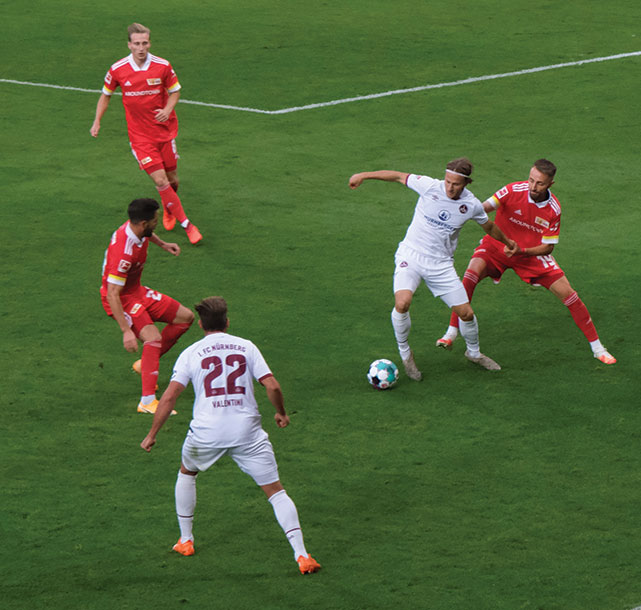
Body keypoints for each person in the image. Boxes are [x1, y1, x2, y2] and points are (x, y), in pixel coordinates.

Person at [140, 296, 321, 575]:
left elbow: (169, 397)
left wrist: (152, 434)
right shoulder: (246, 347)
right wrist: (282, 413)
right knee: (275, 491)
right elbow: (271, 385)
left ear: (200, 324)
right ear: (227, 322)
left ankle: (185, 540)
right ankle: (302, 555)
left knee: (187, 473)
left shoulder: (190, 353)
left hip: (206, 433)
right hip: (246, 432)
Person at [349, 158, 519, 379]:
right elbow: (398, 176)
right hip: (411, 255)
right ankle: (406, 355)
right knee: (402, 303)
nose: (449, 187)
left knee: (466, 313)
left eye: (456, 184)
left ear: (466, 183)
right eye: (448, 181)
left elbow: (489, 226)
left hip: (440, 265)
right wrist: (364, 175)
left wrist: (508, 242)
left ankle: (474, 353)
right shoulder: (429, 186)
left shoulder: (472, 205)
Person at [436, 159, 616, 365]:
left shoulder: (553, 209)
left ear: (550, 184)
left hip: (530, 255)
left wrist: (522, 250)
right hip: (497, 247)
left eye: (539, 183)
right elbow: (485, 207)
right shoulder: (513, 190)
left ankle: (597, 348)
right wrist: (460, 209)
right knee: (470, 275)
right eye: (531, 180)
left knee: (569, 295)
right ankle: (450, 333)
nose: (532, 186)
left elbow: (548, 247)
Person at [90, 22, 202, 245]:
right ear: (129, 45)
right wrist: (97, 121)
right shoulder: (117, 69)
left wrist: (168, 110)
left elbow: (175, 91)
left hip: (165, 132)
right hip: (140, 138)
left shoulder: (162, 66)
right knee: (160, 180)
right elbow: (106, 95)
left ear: (149, 43)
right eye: (137, 44)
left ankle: (170, 207)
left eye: (145, 43)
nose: (141, 48)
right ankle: (188, 225)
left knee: (172, 179)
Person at [101, 197, 195, 413]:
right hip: (122, 300)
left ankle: (146, 364)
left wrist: (163, 244)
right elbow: (113, 293)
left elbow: (147, 235)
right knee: (153, 338)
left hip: (137, 291)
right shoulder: (123, 254)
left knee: (185, 317)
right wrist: (126, 331)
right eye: (154, 221)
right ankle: (146, 401)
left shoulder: (136, 229)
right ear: (143, 223)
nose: (156, 224)